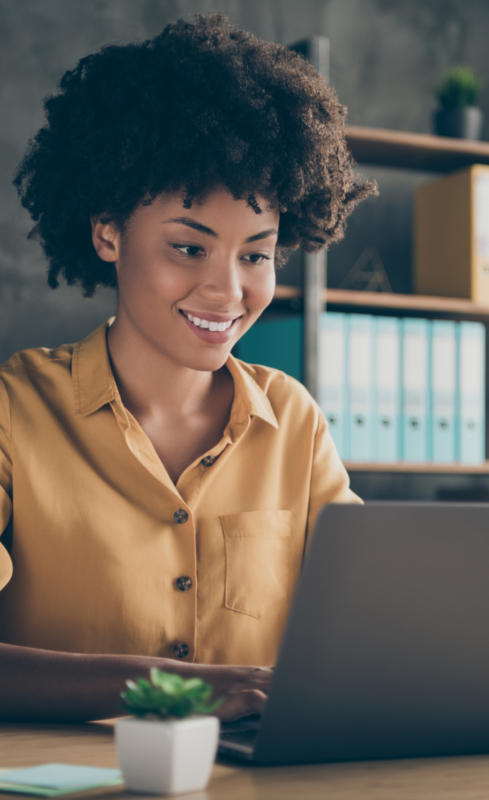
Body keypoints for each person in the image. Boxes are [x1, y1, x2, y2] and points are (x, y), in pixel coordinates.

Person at [0, 13, 376, 722]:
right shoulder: (14, 412)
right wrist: (188, 692)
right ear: (108, 230)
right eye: (189, 247)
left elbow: (364, 624)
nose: (227, 291)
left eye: (255, 255)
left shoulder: (291, 420)